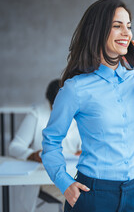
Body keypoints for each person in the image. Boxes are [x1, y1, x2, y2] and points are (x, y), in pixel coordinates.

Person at [41, 0, 134, 212]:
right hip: (93, 196)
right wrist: (64, 183)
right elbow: (51, 141)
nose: (127, 33)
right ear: (98, 31)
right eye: (117, 26)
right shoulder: (76, 88)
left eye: (129, 26)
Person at [8, 79, 81, 212]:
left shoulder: (75, 111)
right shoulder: (36, 115)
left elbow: (82, 142)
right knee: (77, 201)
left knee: (91, 198)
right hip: (46, 177)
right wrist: (33, 155)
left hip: (72, 173)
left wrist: (83, 150)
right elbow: (15, 146)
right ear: (49, 102)